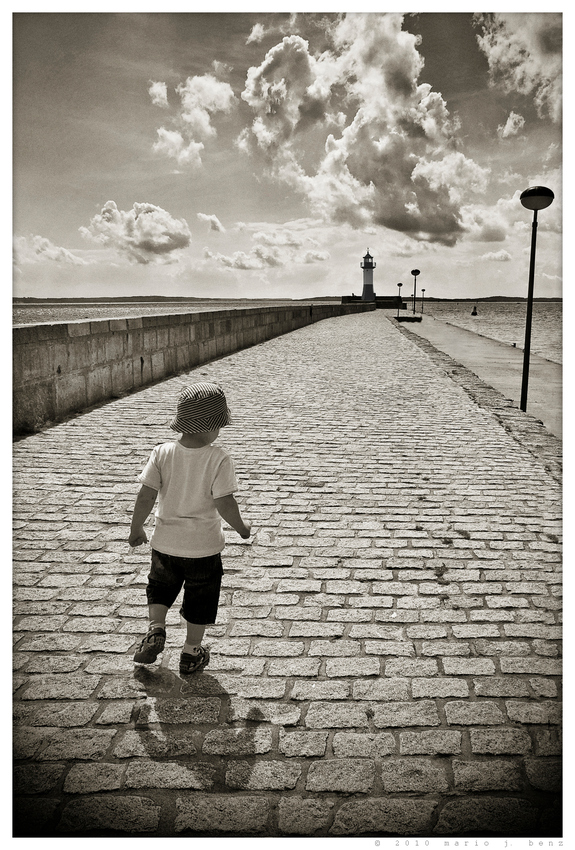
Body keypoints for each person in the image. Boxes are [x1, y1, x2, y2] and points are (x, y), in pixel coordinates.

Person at [128, 381, 251, 675]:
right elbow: (224, 503)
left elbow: (145, 495)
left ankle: (156, 628)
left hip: (164, 543)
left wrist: (136, 529)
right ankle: (192, 650)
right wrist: (242, 527)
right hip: (203, 548)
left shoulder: (161, 453)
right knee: (201, 598)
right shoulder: (218, 458)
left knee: (159, 587)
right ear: (212, 426)